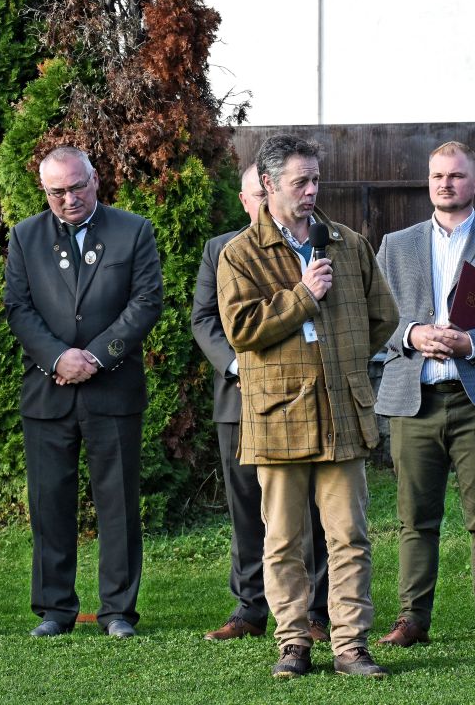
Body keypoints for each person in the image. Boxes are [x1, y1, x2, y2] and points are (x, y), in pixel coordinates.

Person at [217, 134, 398, 678]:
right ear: (268, 184)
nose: (312, 190)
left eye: (316, 179)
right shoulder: (240, 254)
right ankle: (293, 642)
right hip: (280, 418)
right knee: (283, 541)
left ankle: (350, 645)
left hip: (342, 411)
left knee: (350, 538)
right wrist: (302, 296)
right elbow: (241, 329)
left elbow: (383, 317)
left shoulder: (347, 243)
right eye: (301, 182)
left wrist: (343, 359)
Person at [374, 141, 475, 651]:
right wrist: (411, 334)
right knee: (414, 519)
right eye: (437, 175)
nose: (446, 183)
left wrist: (473, 342)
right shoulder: (395, 244)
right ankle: (412, 620)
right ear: (428, 181)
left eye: (456, 175)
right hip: (415, 399)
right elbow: (374, 316)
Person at [4, 146, 163, 640]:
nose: (69, 198)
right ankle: (54, 609)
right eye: (57, 192)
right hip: (48, 392)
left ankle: (118, 610)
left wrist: (94, 357)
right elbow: (18, 308)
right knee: (49, 503)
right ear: (44, 191)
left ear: (94, 179)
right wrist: (58, 358)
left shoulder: (133, 230)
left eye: (77, 187)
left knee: (118, 503)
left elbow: (145, 302)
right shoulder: (25, 236)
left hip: (113, 391)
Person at [192, 164, 330, 643]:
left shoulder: (314, 245)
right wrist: (238, 368)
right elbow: (205, 320)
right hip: (239, 400)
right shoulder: (222, 250)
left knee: (311, 508)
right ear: (246, 199)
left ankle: (315, 611)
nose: (263, 205)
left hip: (302, 396)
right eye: (255, 196)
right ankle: (250, 607)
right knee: (247, 506)